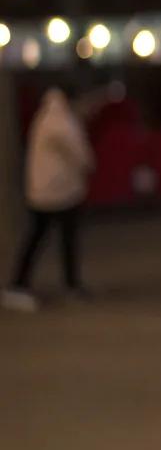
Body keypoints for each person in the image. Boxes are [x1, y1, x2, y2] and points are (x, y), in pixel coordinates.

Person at [3, 87, 94, 311]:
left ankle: (27, 283)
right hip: (56, 192)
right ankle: (20, 284)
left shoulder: (49, 115)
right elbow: (78, 151)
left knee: (46, 238)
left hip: (50, 191)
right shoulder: (59, 120)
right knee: (49, 238)